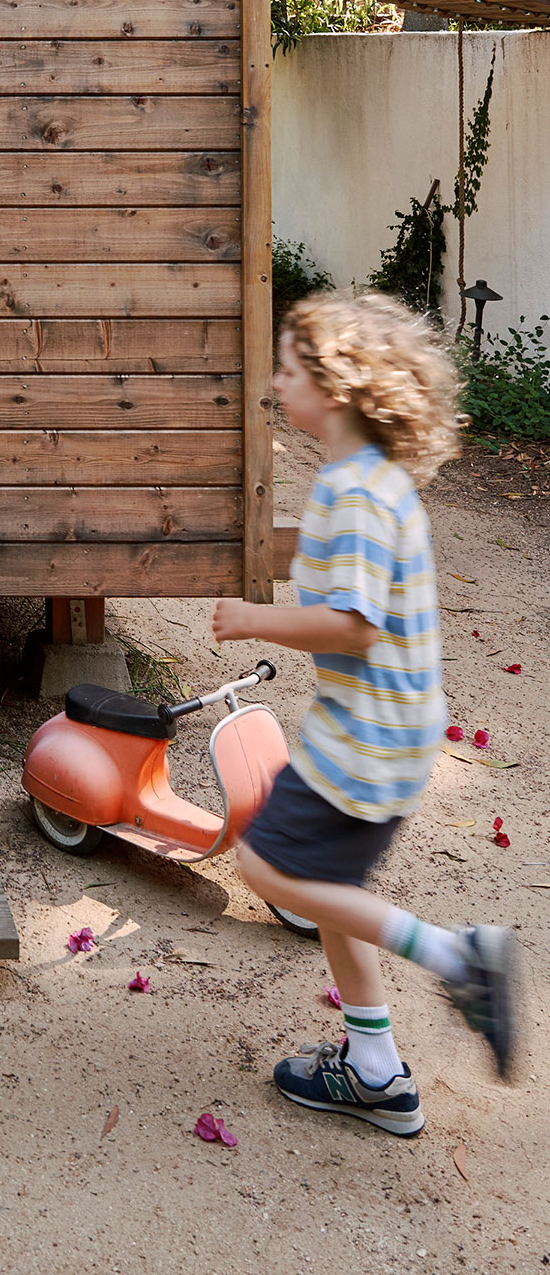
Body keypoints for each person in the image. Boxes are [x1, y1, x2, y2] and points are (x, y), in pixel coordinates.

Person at [212, 291, 520, 1134]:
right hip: (384, 726)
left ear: (336, 385)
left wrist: (254, 619)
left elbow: (352, 622)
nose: (276, 382)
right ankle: (376, 1069)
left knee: (270, 873)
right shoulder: (372, 480)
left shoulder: (353, 492)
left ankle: (455, 955)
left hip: (369, 735)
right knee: (330, 884)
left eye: (288, 368)